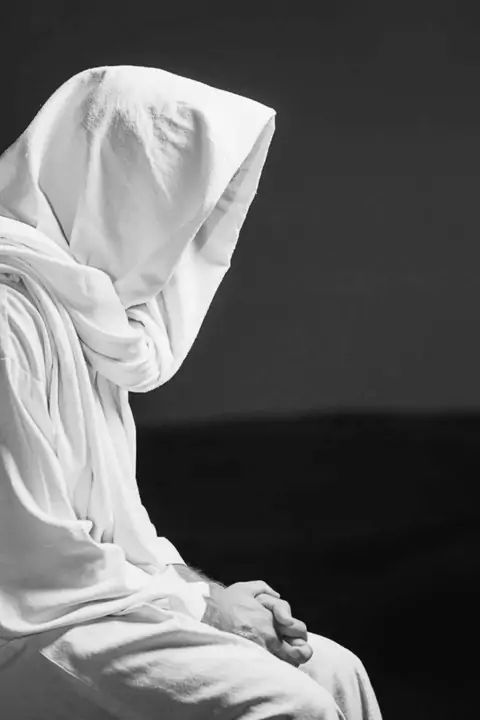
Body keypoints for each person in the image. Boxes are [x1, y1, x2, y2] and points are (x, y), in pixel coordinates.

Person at [0, 65, 382, 719]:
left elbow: (117, 536)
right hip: (24, 625)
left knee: (336, 670)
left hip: (79, 606)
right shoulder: (11, 314)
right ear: (120, 187)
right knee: (287, 704)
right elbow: (31, 561)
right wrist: (205, 610)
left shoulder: (79, 313)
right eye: (176, 205)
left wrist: (213, 595)